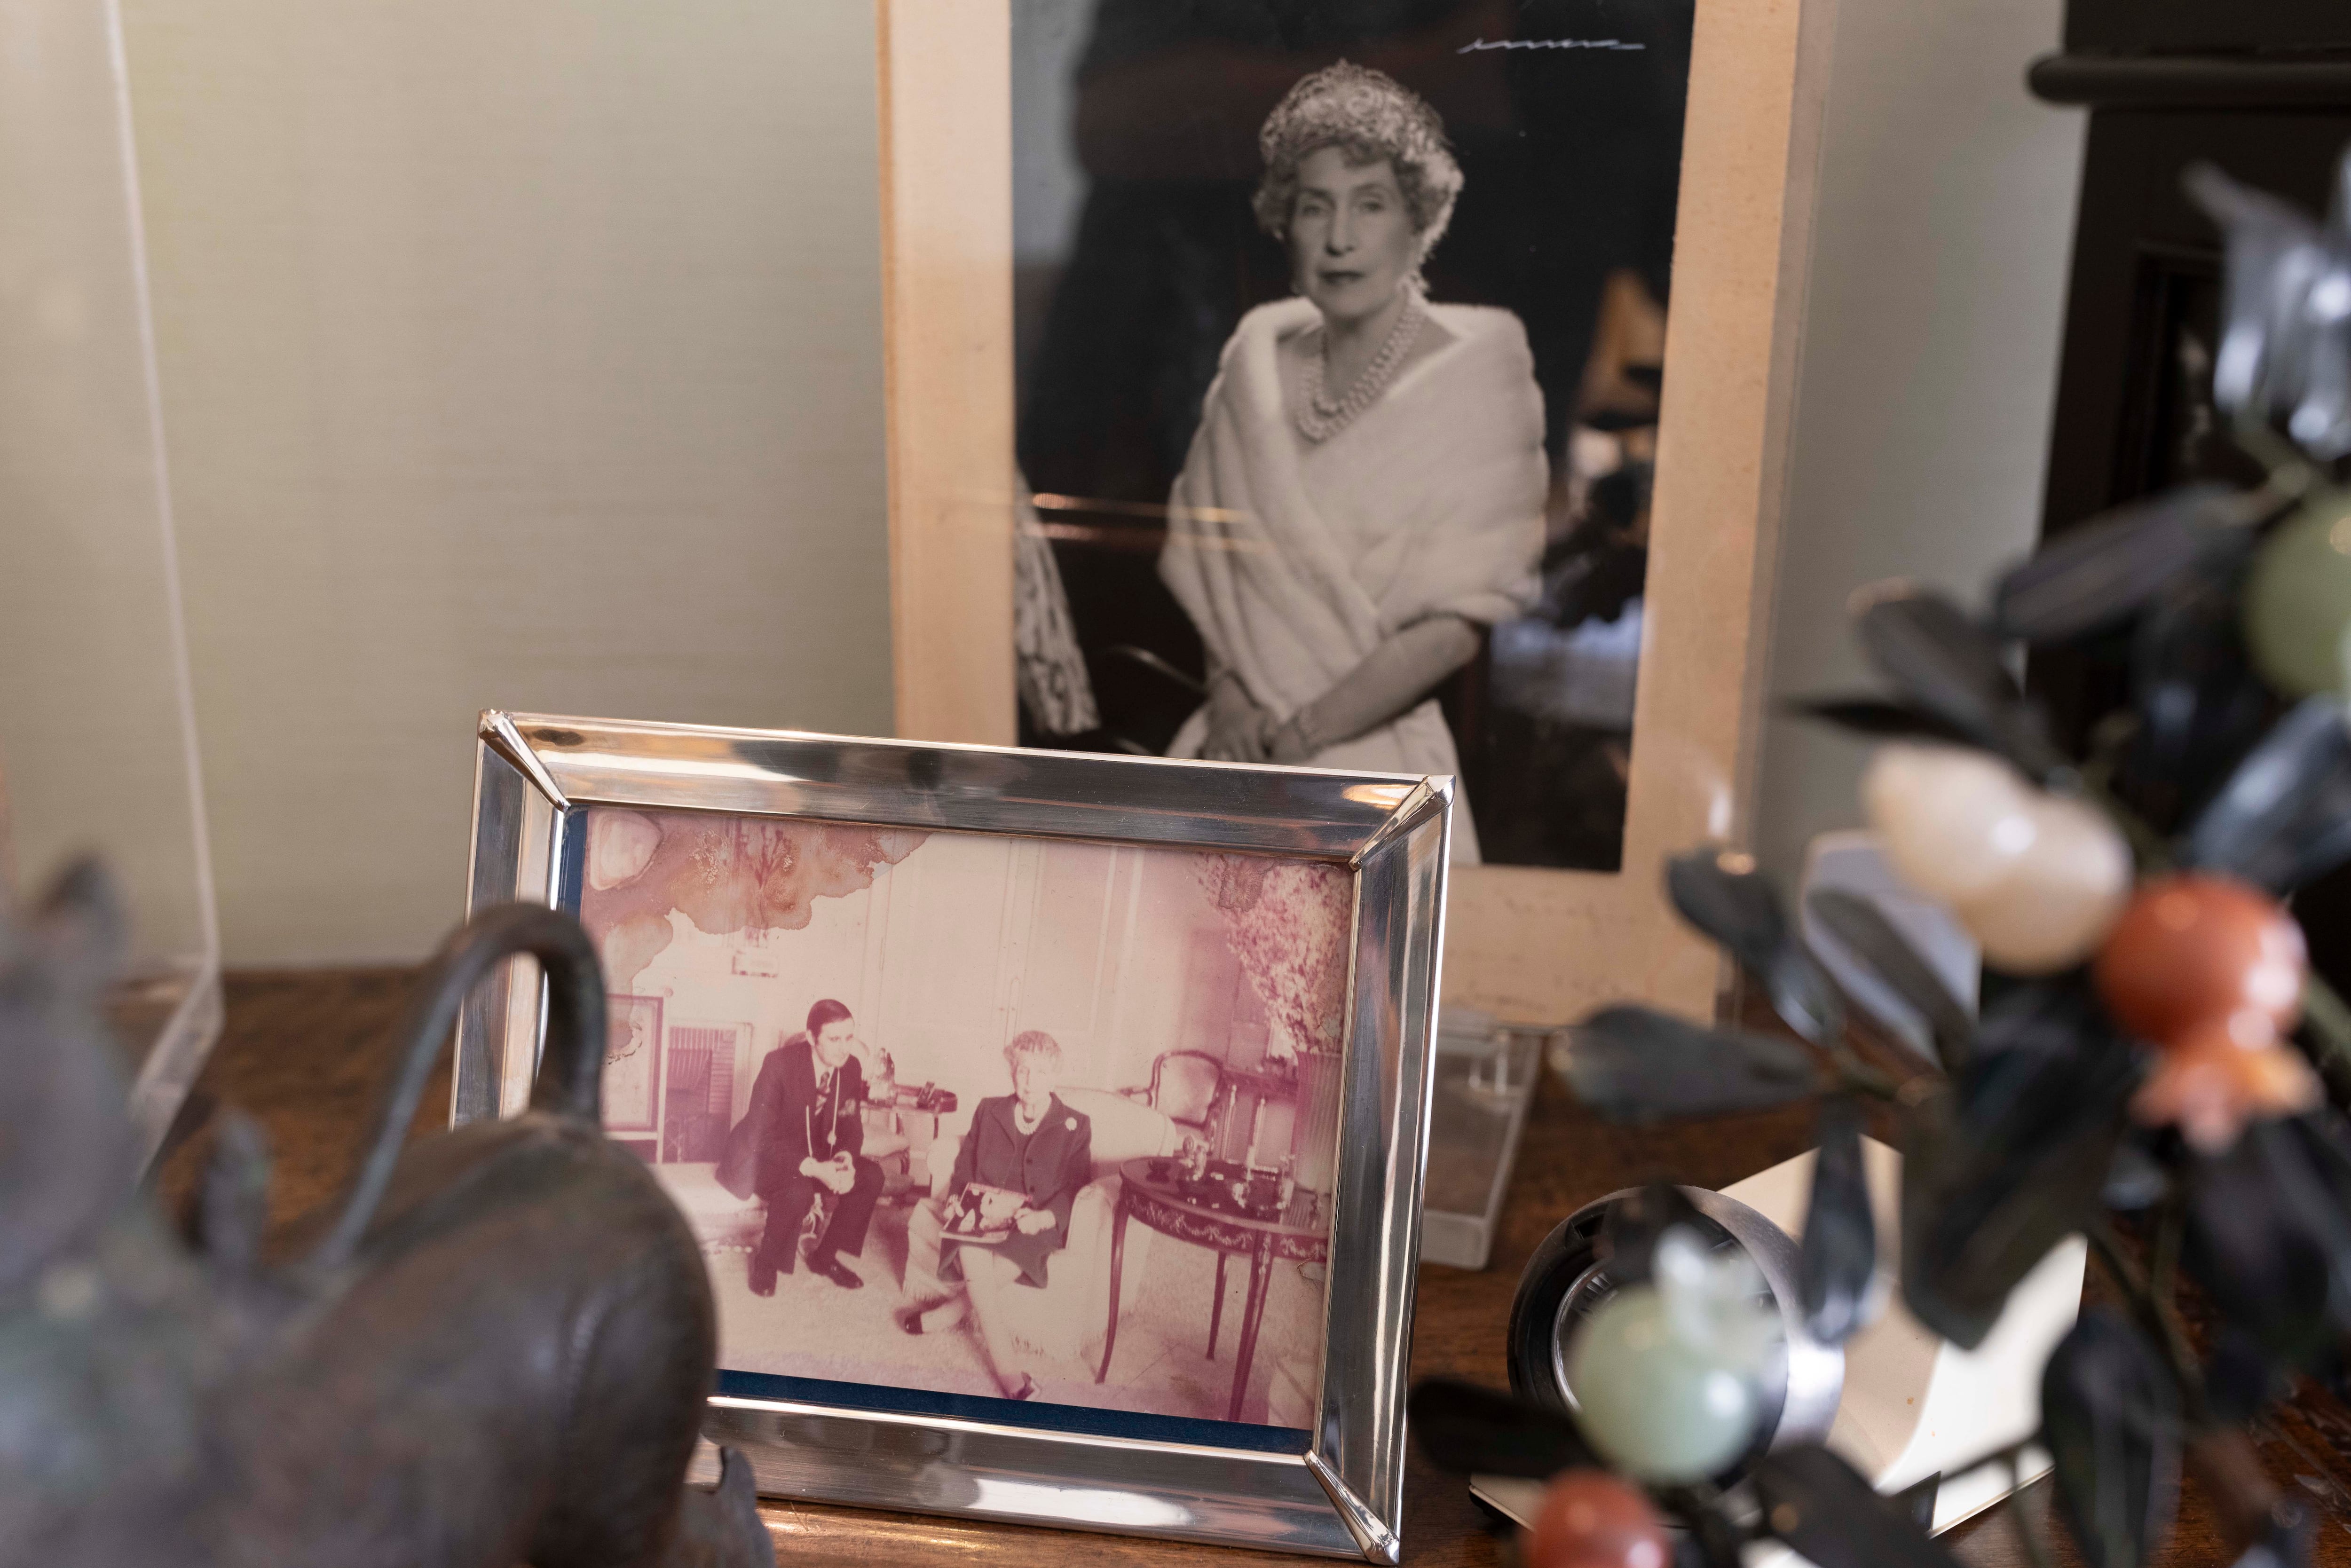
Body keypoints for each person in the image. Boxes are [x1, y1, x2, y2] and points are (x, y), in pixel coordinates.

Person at [1157, 61, 1547, 862]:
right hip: (1235, 745)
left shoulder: (1481, 373)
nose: (1340, 239)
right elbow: (1220, 579)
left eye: (1371, 205)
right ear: (1284, 223)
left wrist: (1304, 737)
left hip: (1373, 768)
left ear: (1419, 221)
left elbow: (1453, 629)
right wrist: (1230, 703)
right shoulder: (1254, 365)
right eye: (1314, 207)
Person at [895, 1031, 1093, 1402]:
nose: (1030, 1081)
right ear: (1012, 1071)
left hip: (1032, 1221)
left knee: (1002, 1265)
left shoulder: (1076, 1126)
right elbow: (965, 1168)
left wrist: (1044, 1219)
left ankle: (946, 1317)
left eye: (1040, 1072)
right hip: (979, 1212)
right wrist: (956, 1200)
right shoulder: (989, 1109)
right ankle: (1012, 1375)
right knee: (973, 1252)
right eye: (1022, 1070)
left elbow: (1073, 1188)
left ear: (1055, 1077)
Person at [718, 999, 883, 1295]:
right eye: (834, 1039)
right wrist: (816, 1168)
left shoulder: (851, 1068)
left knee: (871, 1176)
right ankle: (766, 1263)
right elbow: (761, 1135)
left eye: (849, 1037)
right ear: (811, 1038)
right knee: (799, 1189)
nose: (844, 1048)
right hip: (762, 1156)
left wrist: (845, 1157)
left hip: (815, 1151)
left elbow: (850, 1122)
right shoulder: (779, 1065)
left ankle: (825, 1257)